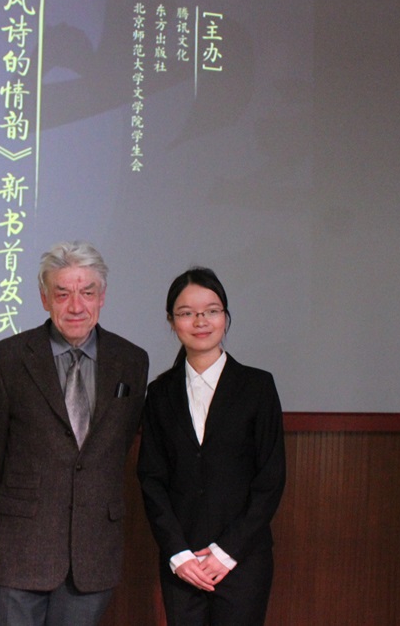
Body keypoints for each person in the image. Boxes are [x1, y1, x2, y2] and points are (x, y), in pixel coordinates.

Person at [0, 241, 150, 626]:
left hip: (93, 550)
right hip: (22, 545)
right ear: (45, 299)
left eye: (87, 292)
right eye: (62, 294)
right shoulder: (7, 358)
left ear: (102, 297)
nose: (76, 306)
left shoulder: (131, 361)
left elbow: (119, 444)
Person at [137, 267, 285, 626]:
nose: (200, 321)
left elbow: (270, 479)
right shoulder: (160, 393)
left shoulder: (257, 386)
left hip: (243, 559)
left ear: (226, 317)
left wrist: (226, 552)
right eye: (187, 313)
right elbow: (151, 479)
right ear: (172, 321)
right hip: (182, 563)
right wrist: (177, 553)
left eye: (212, 311)